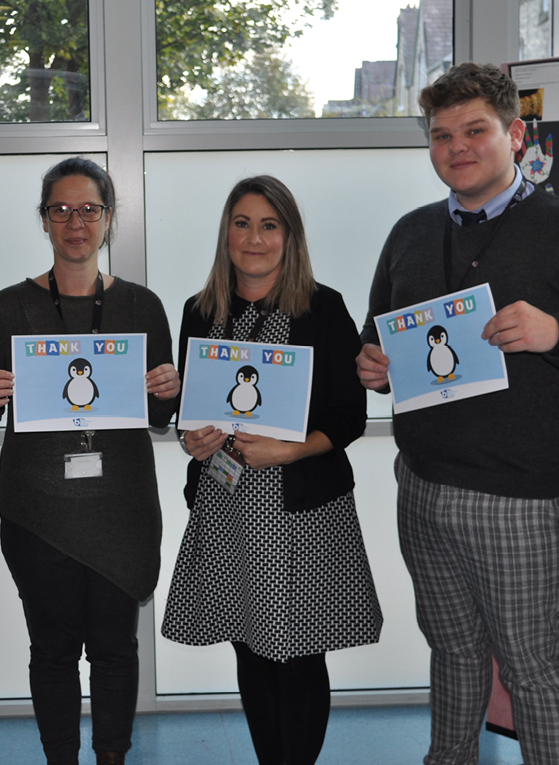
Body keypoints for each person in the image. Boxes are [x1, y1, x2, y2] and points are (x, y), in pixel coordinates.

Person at [355, 63, 559, 765]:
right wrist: (372, 367)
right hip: (422, 485)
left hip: (521, 496)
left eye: (475, 130)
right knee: (451, 648)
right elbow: (376, 337)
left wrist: (556, 334)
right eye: (442, 134)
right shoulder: (410, 232)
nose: (457, 146)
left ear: (515, 135)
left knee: (531, 664)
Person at [0, 157, 180, 765]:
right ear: (44, 220)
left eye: (88, 209)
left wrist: (170, 389)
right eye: (61, 209)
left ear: (108, 218)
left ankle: (112, 757)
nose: (75, 222)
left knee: (115, 649)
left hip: (123, 509)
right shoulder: (7, 308)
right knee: (51, 651)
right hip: (38, 513)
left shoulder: (142, 307)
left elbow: (162, 417)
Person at [162, 175, 383, 765]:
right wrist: (194, 438)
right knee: (252, 651)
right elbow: (192, 416)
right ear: (226, 234)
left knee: (301, 653)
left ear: (289, 235)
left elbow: (350, 416)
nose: (254, 238)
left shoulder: (322, 307)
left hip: (304, 510)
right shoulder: (200, 311)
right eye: (242, 224)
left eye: (268, 225)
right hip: (227, 505)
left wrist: (289, 451)